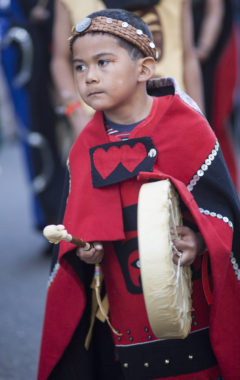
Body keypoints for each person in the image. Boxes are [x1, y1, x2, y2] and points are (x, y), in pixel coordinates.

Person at [38, 9, 240, 380]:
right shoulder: (85, 147)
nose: (90, 77)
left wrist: (198, 239)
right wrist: (87, 253)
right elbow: (76, 234)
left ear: (145, 69)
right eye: (79, 67)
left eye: (103, 62)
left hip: (190, 302)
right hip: (126, 314)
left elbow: (222, 213)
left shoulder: (187, 127)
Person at [50, 0, 204, 137]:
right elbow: (60, 60)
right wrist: (78, 118)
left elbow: (188, 58)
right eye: (81, 67)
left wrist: (200, 120)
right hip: (100, 124)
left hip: (173, 114)